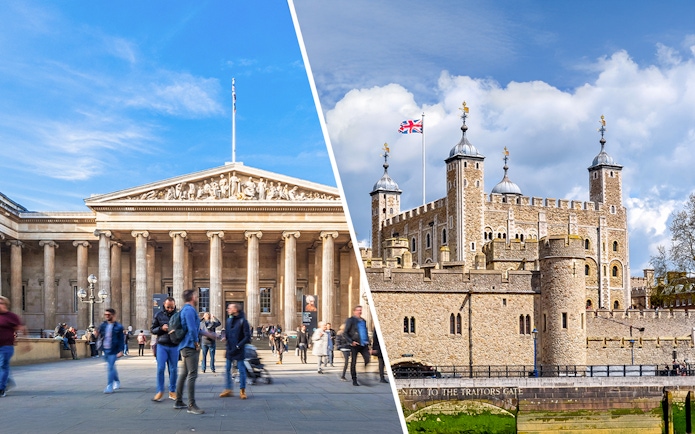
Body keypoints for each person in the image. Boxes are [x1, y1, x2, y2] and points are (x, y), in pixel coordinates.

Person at [174, 289, 204, 414]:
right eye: (196, 296)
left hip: (184, 345)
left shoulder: (184, 310)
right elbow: (192, 329)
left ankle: (179, 401)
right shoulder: (190, 310)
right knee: (192, 374)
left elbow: (193, 329)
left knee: (184, 374)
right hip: (190, 346)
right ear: (192, 297)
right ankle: (191, 405)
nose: (197, 298)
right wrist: (196, 343)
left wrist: (209, 334)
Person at [219, 303, 250, 399]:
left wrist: (238, 346)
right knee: (227, 369)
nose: (227, 309)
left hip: (239, 349)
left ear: (235, 310)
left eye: (229, 308)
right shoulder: (229, 320)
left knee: (241, 370)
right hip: (230, 349)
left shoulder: (243, 321)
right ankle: (228, 389)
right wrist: (224, 337)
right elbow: (227, 334)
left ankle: (242, 390)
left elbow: (247, 337)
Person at [151, 297, 179, 402]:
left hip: (174, 345)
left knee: (173, 369)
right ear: (164, 304)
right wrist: (161, 328)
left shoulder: (178, 315)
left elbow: (182, 329)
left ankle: (172, 391)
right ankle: (160, 391)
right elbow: (152, 329)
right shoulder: (158, 315)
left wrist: (175, 331)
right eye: (168, 307)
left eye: (172, 307)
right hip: (162, 344)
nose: (170, 309)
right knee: (160, 368)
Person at [0, 295, 26, 397]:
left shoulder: (11, 316)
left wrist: (25, 343)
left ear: (5, 305)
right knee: (2, 366)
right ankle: (7, 381)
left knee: (2, 365)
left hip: (6, 346)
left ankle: (1, 388)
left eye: (0, 303)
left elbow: (21, 329)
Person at [97, 308, 124, 394]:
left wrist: (121, 350)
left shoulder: (119, 327)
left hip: (114, 349)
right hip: (105, 349)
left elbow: (121, 340)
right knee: (111, 367)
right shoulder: (103, 325)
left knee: (110, 367)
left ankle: (109, 386)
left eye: (108, 315)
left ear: (113, 315)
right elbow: (99, 334)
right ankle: (117, 381)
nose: (107, 316)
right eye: (105, 315)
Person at [344, 305, 371, 386]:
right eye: (358, 310)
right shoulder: (350, 320)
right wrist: (351, 341)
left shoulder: (363, 321)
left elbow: (365, 332)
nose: (360, 312)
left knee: (367, 359)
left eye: (360, 310)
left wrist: (368, 342)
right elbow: (345, 333)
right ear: (354, 311)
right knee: (353, 362)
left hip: (364, 344)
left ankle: (362, 373)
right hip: (355, 344)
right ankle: (354, 379)